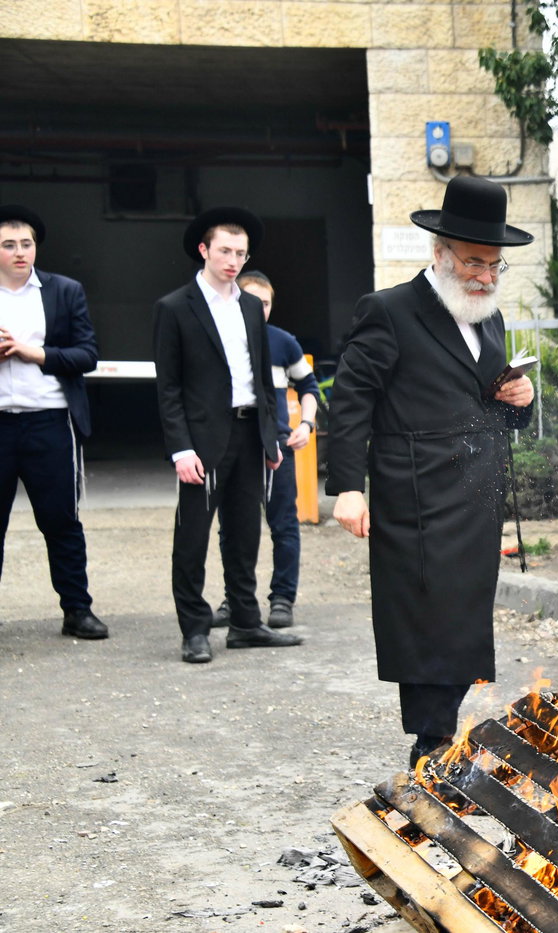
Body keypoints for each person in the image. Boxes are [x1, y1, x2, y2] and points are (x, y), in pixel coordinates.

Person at [326, 176, 535, 770]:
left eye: (496, 266)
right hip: (416, 493)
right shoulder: (389, 310)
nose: (486, 277)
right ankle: (432, 744)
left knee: (461, 620)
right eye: (475, 262)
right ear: (439, 252)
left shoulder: (487, 317)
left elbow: (492, 400)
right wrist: (347, 487)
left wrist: (520, 399)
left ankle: (443, 738)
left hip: (474, 498)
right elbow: (351, 403)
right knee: (422, 618)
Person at [154, 207, 301, 664]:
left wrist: (271, 437)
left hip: (249, 433)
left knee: (244, 533)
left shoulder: (250, 307)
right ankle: (194, 629)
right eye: (224, 251)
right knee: (193, 536)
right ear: (204, 250)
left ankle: (244, 623)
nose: (233, 260)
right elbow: (169, 387)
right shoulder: (175, 308)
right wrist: (180, 447)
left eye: (240, 253)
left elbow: (263, 377)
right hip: (201, 439)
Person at [0, 205, 106, 639]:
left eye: (26, 244)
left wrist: (33, 352)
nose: (20, 252)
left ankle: (77, 611)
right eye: (9, 245)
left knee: (62, 521)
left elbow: (87, 355)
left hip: (50, 421)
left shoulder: (64, 291)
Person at [212, 271, 319, 630]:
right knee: (232, 529)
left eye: (266, 303)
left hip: (275, 447)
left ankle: (282, 600)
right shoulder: (219, 341)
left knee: (283, 525)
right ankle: (236, 600)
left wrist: (306, 424)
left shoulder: (283, 342)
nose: (259, 310)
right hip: (230, 447)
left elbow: (308, 385)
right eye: (251, 302)